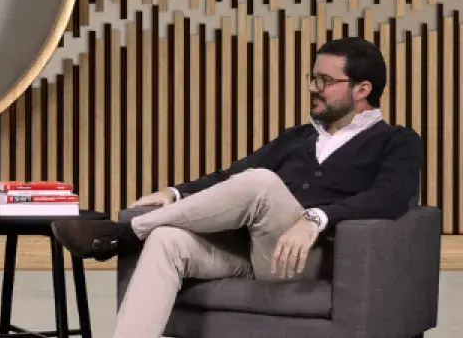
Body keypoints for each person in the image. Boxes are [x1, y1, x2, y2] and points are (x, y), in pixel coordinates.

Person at [51, 37, 422, 338]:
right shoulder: (297, 137)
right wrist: (174, 193)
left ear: (362, 89)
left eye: (325, 81)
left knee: (262, 182)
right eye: (312, 78)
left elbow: (390, 197)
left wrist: (316, 218)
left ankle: (124, 233)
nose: (313, 88)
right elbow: (233, 176)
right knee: (166, 239)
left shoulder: (397, 141)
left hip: (309, 260)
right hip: (255, 253)